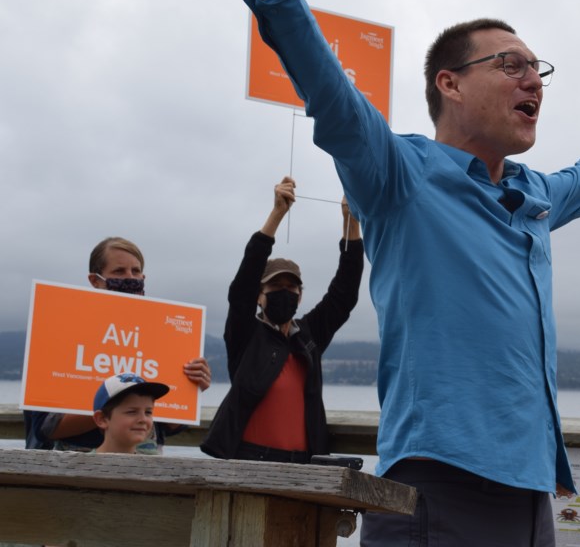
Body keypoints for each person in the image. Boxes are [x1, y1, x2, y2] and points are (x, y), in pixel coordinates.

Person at [234, 0, 580, 543]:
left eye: (540, 69)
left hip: (532, 485)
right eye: (512, 65)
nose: (534, 79)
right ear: (449, 83)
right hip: (440, 483)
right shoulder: (400, 174)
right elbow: (332, 96)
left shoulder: (531, 193)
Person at [200, 176, 364, 463]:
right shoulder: (244, 333)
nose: (285, 293)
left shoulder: (309, 335)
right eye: (276, 287)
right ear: (259, 295)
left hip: (304, 463)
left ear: (300, 296)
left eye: (292, 288)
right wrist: (277, 214)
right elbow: (242, 288)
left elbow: (344, 293)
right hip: (248, 460)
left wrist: (351, 222)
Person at [25, 237, 212, 453]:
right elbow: (45, 427)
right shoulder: (62, 330)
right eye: (119, 271)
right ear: (95, 280)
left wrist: (190, 390)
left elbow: (170, 426)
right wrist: (115, 408)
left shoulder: (163, 332)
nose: (130, 278)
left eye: (135, 271)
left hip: (147, 465)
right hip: (75, 464)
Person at [91, 372, 170, 455]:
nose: (143, 419)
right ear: (102, 419)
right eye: (132, 412)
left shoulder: (156, 465)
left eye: (148, 412)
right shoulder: (81, 465)